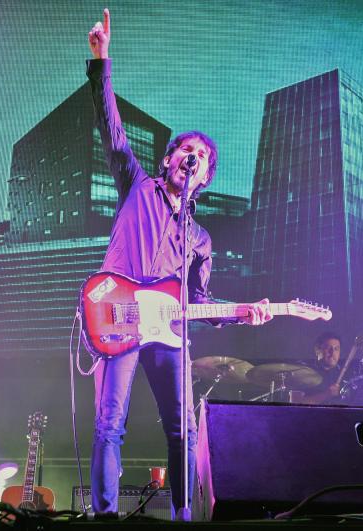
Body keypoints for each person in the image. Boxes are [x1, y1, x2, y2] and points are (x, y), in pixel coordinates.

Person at [86, 9, 273, 518]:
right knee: (109, 423)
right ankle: (103, 516)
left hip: (169, 331)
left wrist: (240, 312)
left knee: (183, 427)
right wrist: (102, 61)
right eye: (184, 149)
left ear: (205, 174)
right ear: (169, 159)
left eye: (201, 155)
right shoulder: (136, 185)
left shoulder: (200, 238)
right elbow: (111, 126)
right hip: (120, 317)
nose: (191, 155)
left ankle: (182, 517)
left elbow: (199, 302)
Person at [301, 332, 344, 405]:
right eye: (328, 348)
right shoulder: (303, 372)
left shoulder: (345, 375)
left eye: (336, 349)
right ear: (317, 350)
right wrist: (326, 395)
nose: (332, 352)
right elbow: (296, 403)